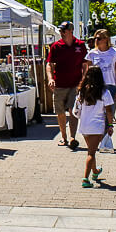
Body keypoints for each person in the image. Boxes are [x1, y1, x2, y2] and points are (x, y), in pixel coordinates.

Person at [45, 21, 87, 149]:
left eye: (63, 31)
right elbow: (49, 64)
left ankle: (72, 137)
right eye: (60, 31)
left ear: (70, 31)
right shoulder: (56, 46)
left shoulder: (80, 45)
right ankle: (63, 137)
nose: (61, 33)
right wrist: (50, 78)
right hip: (59, 84)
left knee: (72, 111)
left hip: (76, 84)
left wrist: (84, 80)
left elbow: (85, 65)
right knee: (60, 112)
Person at [73, 65, 114, 188]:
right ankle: (85, 178)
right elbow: (109, 111)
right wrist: (110, 125)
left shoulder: (82, 91)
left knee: (92, 150)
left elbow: (77, 109)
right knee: (91, 152)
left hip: (84, 125)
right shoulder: (104, 92)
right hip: (97, 126)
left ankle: (95, 171)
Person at [83, 29, 116, 110]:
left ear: (106, 39)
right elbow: (87, 72)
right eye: (95, 38)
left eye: (99, 38)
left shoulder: (115, 53)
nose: (96, 40)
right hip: (95, 86)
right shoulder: (92, 54)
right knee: (97, 112)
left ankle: (109, 123)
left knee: (109, 112)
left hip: (110, 85)